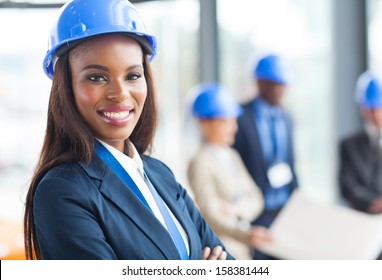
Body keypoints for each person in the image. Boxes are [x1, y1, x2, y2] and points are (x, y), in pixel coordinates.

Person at [23, 0, 233, 260]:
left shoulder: (159, 174)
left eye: (133, 76)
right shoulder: (62, 191)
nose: (120, 94)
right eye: (96, 77)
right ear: (67, 89)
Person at [187, 83, 273, 260]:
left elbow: (256, 198)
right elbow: (212, 215)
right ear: (204, 123)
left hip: (244, 250)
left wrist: (236, 209)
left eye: (234, 120)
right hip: (222, 252)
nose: (233, 127)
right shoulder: (200, 162)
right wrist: (247, 234)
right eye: (225, 121)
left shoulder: (232, 155)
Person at [233, 54, 298, 259]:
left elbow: (290, 164)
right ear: (260, 83)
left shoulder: (287, 118)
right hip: (256, 215)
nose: (281, 89)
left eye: (283, 84)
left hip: (285, 214)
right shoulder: (239, 117)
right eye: (275, 83)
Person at [339, 71, 382, 259]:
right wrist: (372, 203)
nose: (376, 114)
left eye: (381, 108)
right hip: (361, 228)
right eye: (371, 109)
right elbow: (346, 185)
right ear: (362, 108)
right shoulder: (348, 145)